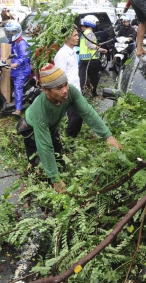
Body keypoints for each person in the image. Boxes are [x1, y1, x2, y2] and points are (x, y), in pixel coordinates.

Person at [23, 64, 122, 192]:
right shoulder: (40, 108)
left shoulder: (71, 92)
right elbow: (44, 146)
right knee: (41, 169)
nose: (65, 90)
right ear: (46, 90)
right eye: (59, 88)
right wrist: (55, 179)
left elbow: (88, 113)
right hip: (31, 131)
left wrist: (108, 136)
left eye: (65, 84)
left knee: (59, 161)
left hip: (52, 128)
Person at [0, 21, 32, 115]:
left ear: (17, 32)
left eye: (12, 32)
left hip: (22, 70)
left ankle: (18, 109)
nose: (10, 34)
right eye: (8, 32)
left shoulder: (21, 43)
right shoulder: (9, 42)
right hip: (10, 68)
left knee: (18, 86)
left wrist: (17, 63)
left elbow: (25, 57)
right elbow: (1, 53)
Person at [53, 26, 83, 137]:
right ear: (66, 38)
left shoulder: (73, 51)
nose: (78, 37)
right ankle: (68, 141)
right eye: (75, 35)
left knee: (79, 117)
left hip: (76, 90)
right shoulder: (62, 55)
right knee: (75, 117)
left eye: (77, 34)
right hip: (68, 92)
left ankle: (72, 139)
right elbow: (60, 77)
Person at [78, 15, 107, 97]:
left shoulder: (84, 33)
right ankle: (93, 92)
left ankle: (82, 93)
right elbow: (90, 45)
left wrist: (101, 50)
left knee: (83, 77)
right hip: (91, 59)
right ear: (92, 23)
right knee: (94, 77)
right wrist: (97, 47)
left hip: (83, 60)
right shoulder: (90, 33)